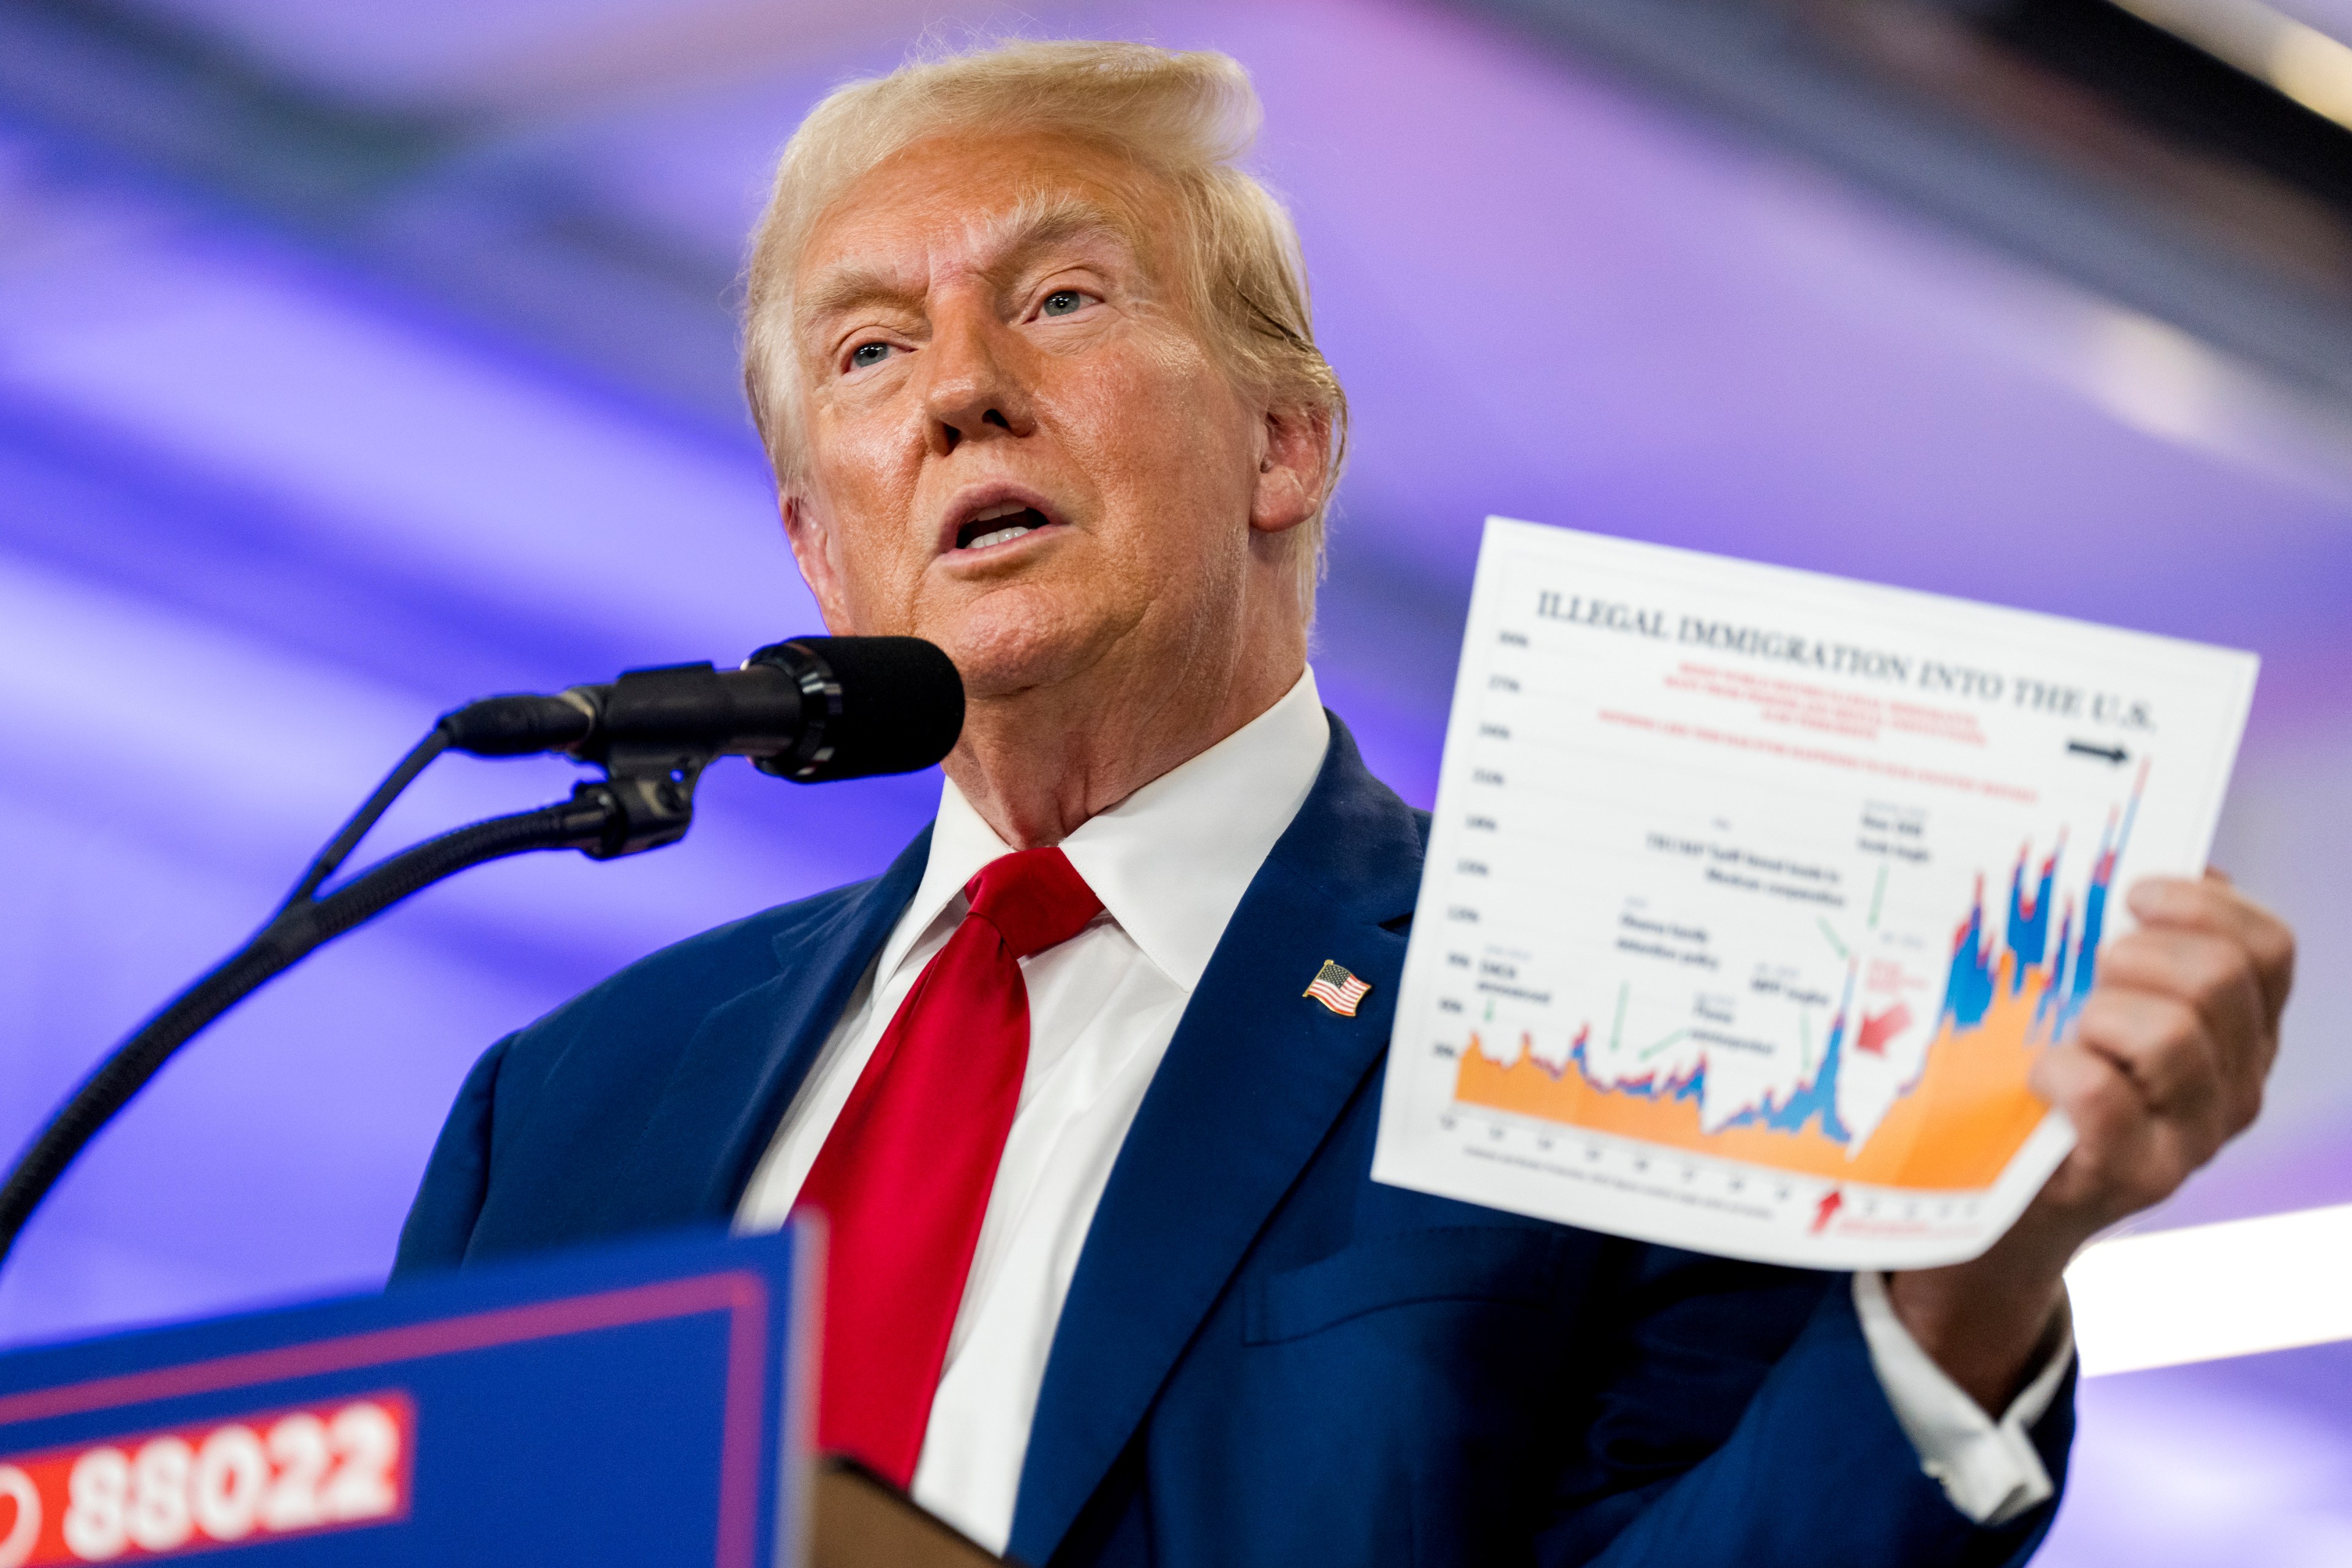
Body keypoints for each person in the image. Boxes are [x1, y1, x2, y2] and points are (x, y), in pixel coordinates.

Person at [393, 40, 2296, 1568]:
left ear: (1285, 442)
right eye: (870, 349)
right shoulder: (559, 1116)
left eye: (1059, 298)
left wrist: (1957, 1303)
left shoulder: (1607, 985)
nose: (961, 390)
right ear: (820, 544)